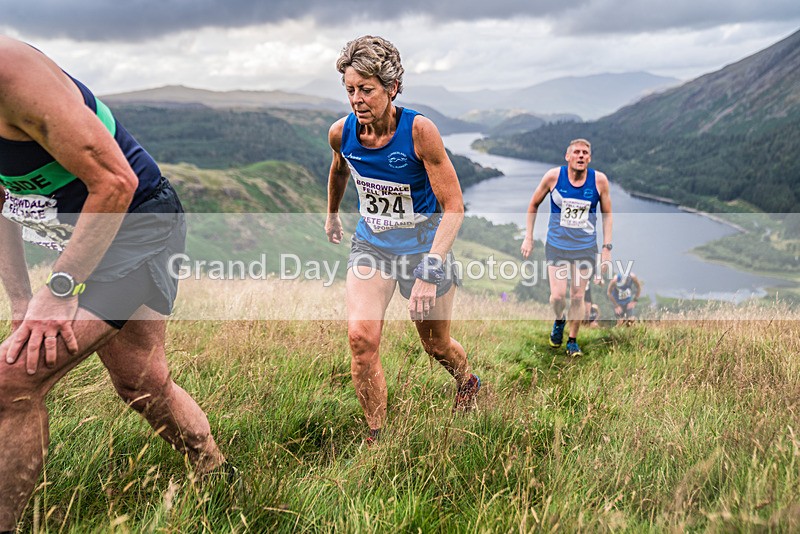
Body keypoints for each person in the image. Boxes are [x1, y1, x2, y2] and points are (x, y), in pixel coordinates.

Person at [0, 36, 225, 531]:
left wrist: (59, 289)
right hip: (89, 237)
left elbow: (116, 182)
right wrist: (20, 299)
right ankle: (215, 470)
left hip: (138, 228)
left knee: (11, 380)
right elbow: (3, 201)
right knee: (141, 381)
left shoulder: (10, 72)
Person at [324, 35, 480, 444]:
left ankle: (467, 381)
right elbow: (339, 169)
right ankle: (377, 437)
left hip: (424, 250)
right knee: (361, 339)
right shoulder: (341, 133)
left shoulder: (419, 131)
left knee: (437, 346)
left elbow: (454, 206)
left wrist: (430, 268)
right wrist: (332, 214)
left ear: (392, 87)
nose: (357, 100)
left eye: (366, 89)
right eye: (350, 90)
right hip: (372, 245)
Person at [520, 138, 613, 357]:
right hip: (557, 245)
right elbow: (533, 204)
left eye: (585, 153)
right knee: (558, 296)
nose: (581, 156)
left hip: (585, 247)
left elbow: (607, 215)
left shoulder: (599, 181)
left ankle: (572, 340)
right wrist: (528, 237)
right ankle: (559, 319)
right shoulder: (553, 177)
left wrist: (606, 248)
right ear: (568, 156)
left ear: (589, 158)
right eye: (577, 152)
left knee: (578, 296)